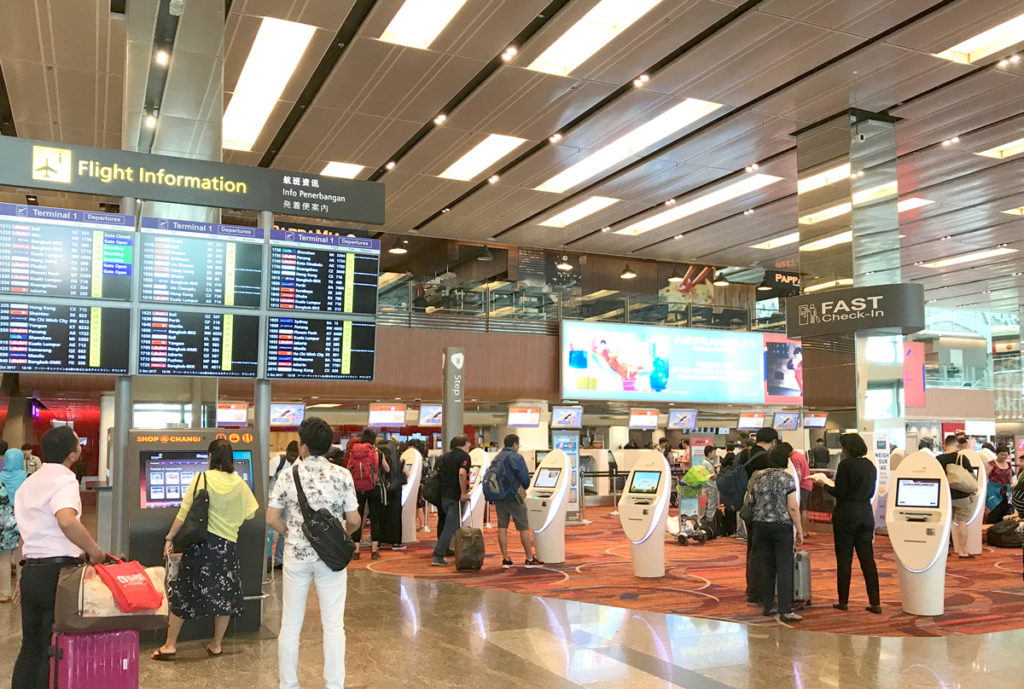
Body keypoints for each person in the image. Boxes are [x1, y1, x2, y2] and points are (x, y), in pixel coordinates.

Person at [267, 416, 360, 689]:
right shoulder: (342, 475)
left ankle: (289, 684)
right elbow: (354, 520)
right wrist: (339, 534)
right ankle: (333, 685)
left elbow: (271, 518)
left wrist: (289, 532)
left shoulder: (287, 474)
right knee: (333, 626)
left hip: (296, 557)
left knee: (291, 625)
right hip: (331, 560)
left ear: (303, 447)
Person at [12, 426, 105, 688]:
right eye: (77, 443)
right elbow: (66, 521)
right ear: (71, 454)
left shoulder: (28, 483)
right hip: (59, 574)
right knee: (53, 646)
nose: (80, 446)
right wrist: (95, 551)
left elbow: (25, 535)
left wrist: (24, 573)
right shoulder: (65, 480)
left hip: (33, 572)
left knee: (30, 646)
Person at [152, 438, 259, 660]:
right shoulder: (240, 484)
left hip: (201, 546)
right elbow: (251, 513)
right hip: (226, 547)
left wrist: (169, 537)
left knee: (183, 593)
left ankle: (170, 645)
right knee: (224, 597)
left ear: (210, 457)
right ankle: (216, 644)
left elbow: (183, 512)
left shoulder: (201, 479)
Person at [814, 433, 881, 614]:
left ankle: (843, 601)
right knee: (868, 560)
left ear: (848, 449)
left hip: (846, 515)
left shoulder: (845, 465)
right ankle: (875, 602)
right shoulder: (870, 466)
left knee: (844, 560)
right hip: (865, 514)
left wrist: (823, 484)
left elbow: (840, 492)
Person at [748, 444, 803, 622]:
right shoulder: (786, 479)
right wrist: (799, 530)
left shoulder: (758, 477)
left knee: (767, 566)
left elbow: (752, 500)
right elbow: (793, 507)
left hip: (760, 526)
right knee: (784, 568)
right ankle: (785, 609)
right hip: (781, 527)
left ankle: (768, 605)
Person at [489, 435, 541, 568]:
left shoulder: (497, 457)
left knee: (502, 527)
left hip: (499, 497)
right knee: (523, 526)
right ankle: (529, 558)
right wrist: (524, 486)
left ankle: (506, 558)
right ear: (515, 444)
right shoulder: (516, 457)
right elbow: (524, 478)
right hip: (514, 496)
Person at [739, 427, 777, 606]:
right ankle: (756, 591)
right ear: (774, 441)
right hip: (761, 509)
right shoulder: (765, 459)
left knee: (752, 550)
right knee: (759, 551)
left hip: (746, 505)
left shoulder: (745, 454)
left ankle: (752, 588)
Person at [349, 429, 389, 561]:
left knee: (358, 518)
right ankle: (374, 551)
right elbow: (387, 469)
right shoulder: (377, 453)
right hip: (373, 487)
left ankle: (356, 550)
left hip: (357, 488)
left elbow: (349, 468)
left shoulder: (353, 452)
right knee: (375, 518)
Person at [431, 434, 471, 567]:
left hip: (444, 496)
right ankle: (438, 555)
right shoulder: (464, 457)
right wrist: (463, 493)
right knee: (450, 527)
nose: (469, 446)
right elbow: (461, 473)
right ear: (465, 443)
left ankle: (455, 550)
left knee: (448, 524)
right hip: (454, 496)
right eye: (468, 443)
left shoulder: (445, 456)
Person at [936, 434, 976, 558]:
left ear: (945, 444)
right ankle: (963, 551)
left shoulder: (938, 459)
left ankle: (945, 549)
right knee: (962, 522)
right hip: (962, 495)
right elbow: (971, 475)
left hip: (945, 496)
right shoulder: (961, 457)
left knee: (945, 522)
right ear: (956, 444)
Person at [0, 447, 27, 602]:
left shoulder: (0, 478)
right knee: (21, 557)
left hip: (3, 525)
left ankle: (4, 593)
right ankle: (22, 590)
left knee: (3, 559)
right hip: (23, 522)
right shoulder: (27, 478)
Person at [270, 441, 300, 569]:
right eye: (290, 455)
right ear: (286, 452)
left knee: (286, 531)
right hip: (272, 500)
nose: (292, 458)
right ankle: (266, 561)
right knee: (271, 532)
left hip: (288, 502)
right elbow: (267, 479)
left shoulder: (299, 464)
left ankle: (279, 560)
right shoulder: (277, 461)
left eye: (295, 456)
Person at [376, 438, 406, 550]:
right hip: (395, 488)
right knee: (395, 514)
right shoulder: (398, 457)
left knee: (379, 514)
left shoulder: (378, 453)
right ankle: (396, 542)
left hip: (381, 488)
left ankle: (379, 540)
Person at [789, 445, 812, 539]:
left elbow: (798, 473)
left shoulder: (793, 458)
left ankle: (802, 531)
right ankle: (806, 530)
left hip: (802, 485)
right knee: (805, 508)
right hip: (808, 484)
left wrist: (795, 485)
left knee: (801, 508)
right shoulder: (799, 455)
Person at [699, 445, 719, 523]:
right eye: (714, 452)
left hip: (706, 486)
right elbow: (713, 476)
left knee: (708, 506)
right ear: (709, 453)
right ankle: (709, 523)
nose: (715, 454)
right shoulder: (707, 464)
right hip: (711, 487)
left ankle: (706, 522)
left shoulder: (704, 462)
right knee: (711, 506)